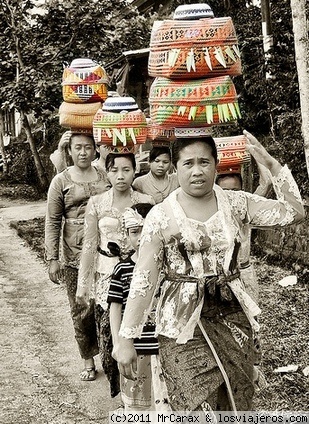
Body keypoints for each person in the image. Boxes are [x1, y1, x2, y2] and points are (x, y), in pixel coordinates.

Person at [114, 130, 304, 412]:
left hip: (232, 317)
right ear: (175, 169)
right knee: (195, 405)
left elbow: (294, 212)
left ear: (216, 165)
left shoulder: (237, 203)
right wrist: (126, 339)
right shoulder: (161, 216)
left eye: (204, 162)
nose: (197, 171)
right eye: (188, 163)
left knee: (235, 402)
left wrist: (271, 163)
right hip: (180, 327)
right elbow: (144, 279)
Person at [76, 152, 155, 397]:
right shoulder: (96, 203)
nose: (120, 176)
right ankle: (119, 392)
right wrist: (83, 283)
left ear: (135, 171)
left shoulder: (146, 200)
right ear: (107, 172)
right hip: (105, 275)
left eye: (126, 170)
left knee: (141, 333)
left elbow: (155, 241)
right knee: (109, 335)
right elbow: (89, 244)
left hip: (138, 274)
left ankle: (141, 392)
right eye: (114, 170)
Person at [45, 131, 111, 381]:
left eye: (88, 147)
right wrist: (53, 258)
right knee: (81, 308)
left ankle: (111, 357)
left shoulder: (105, 176)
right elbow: (52, 221)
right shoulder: (60, 182)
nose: (83, 152)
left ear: (95, 150)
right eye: (78, 148)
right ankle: (88, 360)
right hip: (74, 255)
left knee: (107, 305)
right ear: (69, 151)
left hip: (106, 254)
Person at [108, 204, 160, 411]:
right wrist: (118, 344)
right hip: (136, 350)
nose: (141, 237)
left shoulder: (169, 267)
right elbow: (114, 308)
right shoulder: (122, 269)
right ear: (126, 234)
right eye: (135, 231)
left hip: (165, 349)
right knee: (137, 409)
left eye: (147, 230)